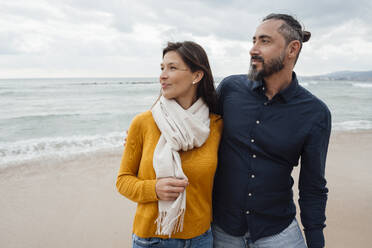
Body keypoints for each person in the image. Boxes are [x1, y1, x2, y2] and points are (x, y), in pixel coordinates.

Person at [212, 13, 331, 248]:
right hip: (222, 230)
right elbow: (195, 129)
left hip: (278, 232)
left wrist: (316, 239)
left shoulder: (316, 113)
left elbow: (313, 185)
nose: (253, 49)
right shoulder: (229, 89)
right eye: (253, 40)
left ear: (292, 49)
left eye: (264, 41)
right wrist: (149, 135)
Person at [116, 41, 223, 248]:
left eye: (172, 68)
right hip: (152, 239)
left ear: (197, 76)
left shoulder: (216, 126)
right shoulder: (143, 123)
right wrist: (153, 189)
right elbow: (123, 181)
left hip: (201, 239)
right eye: (162, 68)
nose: (162, 75)